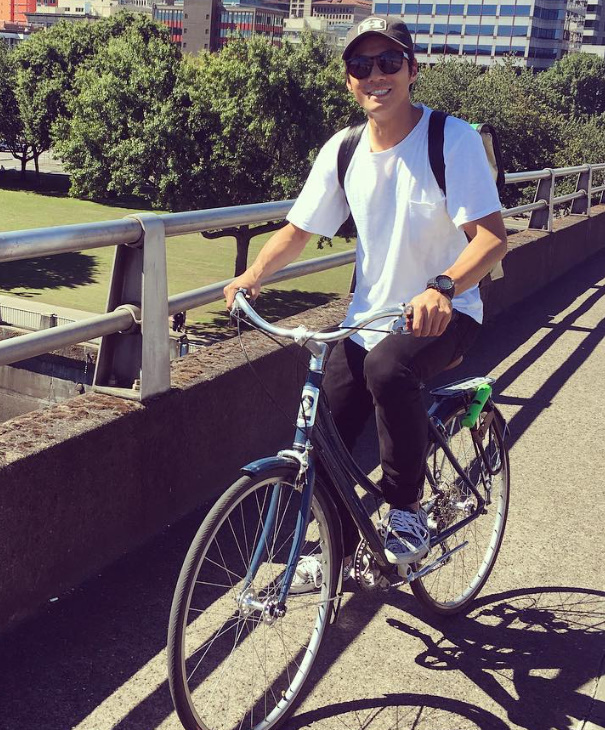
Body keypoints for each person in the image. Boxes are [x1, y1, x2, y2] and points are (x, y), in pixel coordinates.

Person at [224, 16, 507, 592]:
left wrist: (443, 287)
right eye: (360, 65)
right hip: (369, 317)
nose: (375, 75)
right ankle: (337, 549)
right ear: (349, 79)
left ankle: (406, 510)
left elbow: (491, 239)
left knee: (388, 367)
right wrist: (250, 277)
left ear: (412, 70)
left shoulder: (450, 140)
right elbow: (299, 230)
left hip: (449, 312)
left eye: (388, 62)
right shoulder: (344, 149)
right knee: (327, 426)